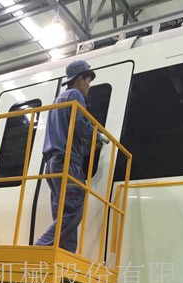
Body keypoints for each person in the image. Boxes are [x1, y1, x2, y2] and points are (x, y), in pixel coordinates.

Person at [35, 59, 109, 253]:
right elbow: (80, 124)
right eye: (88, 81)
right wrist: (97, 135)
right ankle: (41, 247)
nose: (89, 86)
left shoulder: (58, 100)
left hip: (52, 164)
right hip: (67, 162)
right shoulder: (75, 95)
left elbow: (68, 128)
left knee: (62, 212)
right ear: (80, 79)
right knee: (73, 212)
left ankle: (64, 254)